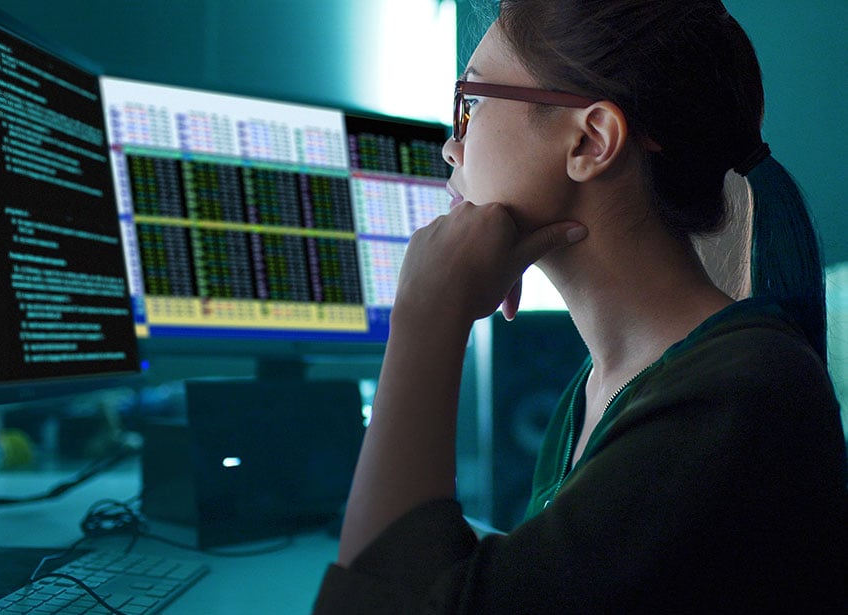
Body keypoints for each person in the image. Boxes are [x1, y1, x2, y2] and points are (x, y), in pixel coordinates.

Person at [314, 1, 848, 612]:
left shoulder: (739, 396)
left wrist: (426, 315)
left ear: (590, 139)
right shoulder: (595, 389)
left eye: (472, 103)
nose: (449, 149)